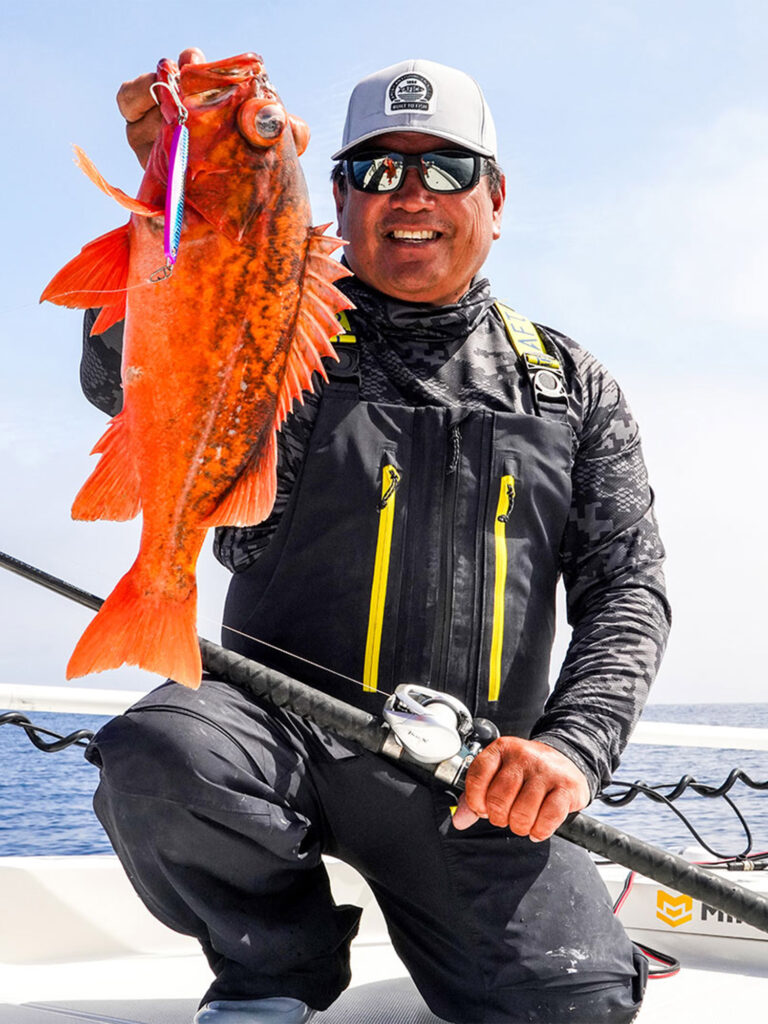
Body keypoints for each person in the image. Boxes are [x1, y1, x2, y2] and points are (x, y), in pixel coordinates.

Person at [82, 50, 670, 1024]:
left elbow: (628, 585)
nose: (410, 195)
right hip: (271, 732)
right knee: (158, 757)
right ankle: (273, 964)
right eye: (375, 170)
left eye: (443, 167)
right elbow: (134, 376)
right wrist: (178, 204)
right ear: (338, 197)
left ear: (496, 194)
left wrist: (571, 748)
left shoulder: (567, 382)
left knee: (578, 995)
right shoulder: (281, 329)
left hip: (469, 768)